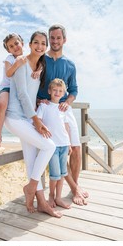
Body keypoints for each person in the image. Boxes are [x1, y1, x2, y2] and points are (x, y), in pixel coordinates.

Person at [4, 31, 62, 218]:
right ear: (29, 44)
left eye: (43, 43)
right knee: (49, 146)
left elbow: (31, 92)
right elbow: (21, 94)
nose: (39, 46)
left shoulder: (40, 65)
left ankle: (39, 201)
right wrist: (37, 121)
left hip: (27, 118)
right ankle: (31, 187)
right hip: (15, 117)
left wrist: (40, 103)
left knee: (31, 161)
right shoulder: (21, 62)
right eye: (36, 42)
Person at [37, 24, 88, 205]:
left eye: (58, 38)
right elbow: (33, 83)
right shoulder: (41, 60)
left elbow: (74, 90)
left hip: (65, 109)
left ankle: (75, 186)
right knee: (56, 147)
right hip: (47, 110)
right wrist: (37, 101)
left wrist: (68, 102)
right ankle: (74, 190)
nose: (55, 41)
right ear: (49, 39)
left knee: (76, 148)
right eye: (52, 38)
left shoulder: (70, 64)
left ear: (64, 40)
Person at [37, 78, 71, 209]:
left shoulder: (63, 108)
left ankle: (58, 197)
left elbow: (66, 127)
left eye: (60, 91)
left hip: (63, 144)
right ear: (50, 91)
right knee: (54, 174)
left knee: (62, 174)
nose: (57, 92)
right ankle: (51, 195)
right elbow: (38, 121)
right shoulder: (44, 106)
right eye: (55, 90)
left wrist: (68, 144)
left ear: (63, 94)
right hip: (52, 145)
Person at [0, 33, 27, 149]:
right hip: (7, 87)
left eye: (16, 43)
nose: (15, 47)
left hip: (20, 89)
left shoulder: (27, 58)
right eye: (11, 46)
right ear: (8, 50)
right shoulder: (10, 58)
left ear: (22, 43)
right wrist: (17, 63)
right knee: (2, 104)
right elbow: (8, 73)